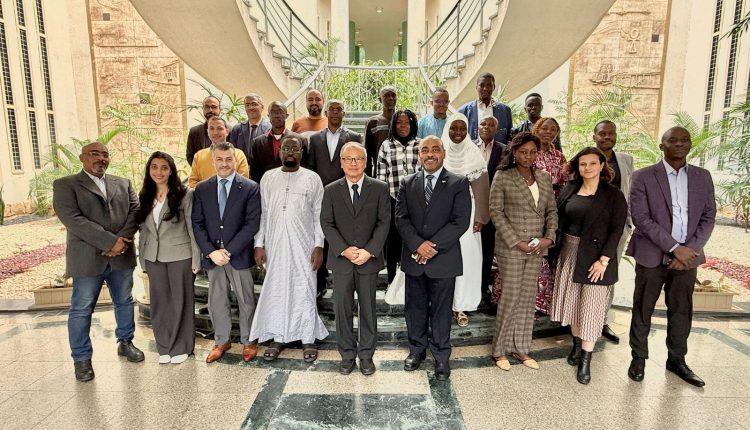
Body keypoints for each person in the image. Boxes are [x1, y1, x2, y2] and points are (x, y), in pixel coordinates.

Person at [626, 127, 716, 388]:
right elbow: (641, 218)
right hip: (652, 255)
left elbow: (708, 216)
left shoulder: (702, 177)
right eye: (672, 140)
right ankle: (638, 358)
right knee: (643, 308)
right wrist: (675, 247)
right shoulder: (642, 176)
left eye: (684, 140)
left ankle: (677, 360)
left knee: (681, 310)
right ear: (661, 145)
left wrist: (690, 249)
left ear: (690, 145)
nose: (679, 144)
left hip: (687, 258)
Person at [53, 142, 143, 382]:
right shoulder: (65, 185)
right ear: (82, 157)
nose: (100, 158)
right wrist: (109, 242)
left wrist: (121, 240)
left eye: (105, 155)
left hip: (122, 255)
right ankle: (81, 359)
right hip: (87, 258)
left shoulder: (123, 183)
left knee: (124, 301)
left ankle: (126, 342)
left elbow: (135, 212)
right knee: (82, 308)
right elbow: (73, 219)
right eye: (94, 154)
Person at [395, 136, 472, 381]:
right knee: (415, 308)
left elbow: (460, 221)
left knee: (441, 311)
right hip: (414, 258)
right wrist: (418, 245)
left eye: (435, 149)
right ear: (419, 155)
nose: (430, 154)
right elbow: (401, 219)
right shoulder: (407, 183)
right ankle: (416, 350)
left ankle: (441, 356)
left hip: (444, 259)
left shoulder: (459, 182)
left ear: (443, 153)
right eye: (425, 150)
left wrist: (432, 246)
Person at [550, 147, 627, 384]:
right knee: (574, 305)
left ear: (602, 165)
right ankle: (576, 346)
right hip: (569, 253)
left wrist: (604, 260)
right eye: (583, 164)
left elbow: (617, 230)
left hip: (597, 259)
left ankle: (586, 359)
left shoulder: (613, 195)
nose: (588, 168)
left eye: (593, 163)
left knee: (591, 310)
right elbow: (558, 220)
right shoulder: (570, 188)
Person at [251, 136, 329, 362]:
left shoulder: (312, 178)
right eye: (286, 148)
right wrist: (259, 244)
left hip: (304, 245)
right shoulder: (268, 178)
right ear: (280, 152)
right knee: (277, 289)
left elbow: (319, 215)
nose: (291, 151)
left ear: (302, 153)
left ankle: (308, 337)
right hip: (275, 244)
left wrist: (319, 245)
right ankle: (278, 336)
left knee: (305, 288)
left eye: (295, 148)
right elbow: (264, 213)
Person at [320, 142, 390, 375]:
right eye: (348, 159)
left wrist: (369, 251)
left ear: (366, 162)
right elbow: (326, 222)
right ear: (341, 163)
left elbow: (384, 222)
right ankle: (347, 355)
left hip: (368, 260)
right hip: (342, 261)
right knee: (342, 309)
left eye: (358, 158)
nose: (353, 163)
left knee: (368, 309)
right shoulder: (331, 190)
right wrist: (343, 249)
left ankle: (367, 355)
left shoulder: (379, 188)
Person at [489, 133, 557, 371]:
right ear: (514, 152)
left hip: (537, 247)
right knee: (510, 297)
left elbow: (551, 211)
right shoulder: (503, 176)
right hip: (512, 248)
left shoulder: (544, 177)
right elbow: (496, 212)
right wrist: (516, 242)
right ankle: (500, 350)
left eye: (532, 152)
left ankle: (521, 348)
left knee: (528, 298)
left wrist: (549, 238)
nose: (528, 156)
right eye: (523, 152)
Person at [192, 142, 261, 363]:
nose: (224, 164)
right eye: (219, 159)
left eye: (228, 159)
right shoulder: (202, 189)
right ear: (213, 161)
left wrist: (228, 251)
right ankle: (222, 340)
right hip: (213, 257)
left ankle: (249, 340)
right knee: (217, 300)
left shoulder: (250, 188)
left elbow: (252, 224)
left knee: (246, 299)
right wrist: (211, 252)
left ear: (235, 160)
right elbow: (197, 224)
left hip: (238, 255)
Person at [136, 151, 201, 365]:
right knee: (159, 303)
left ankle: (182, 346)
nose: (159, 172)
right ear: (149, 170)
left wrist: (196, 258)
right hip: (153, 257)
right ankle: (164, 346)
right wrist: (142, 259)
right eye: (154, 167)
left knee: (180, 302)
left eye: (164, 167)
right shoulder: (145, 195)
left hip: (180, 256)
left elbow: (192, 227)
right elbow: (144, 231)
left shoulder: (185, 194)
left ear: (171, 170)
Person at [308, 100, 363, 298]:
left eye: (338, 109)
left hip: (345, 196)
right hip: (320, 197)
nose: (335, 112)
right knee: (321, 238)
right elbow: (311, 169)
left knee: (344, 237)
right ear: (326, 113)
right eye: (331, 109)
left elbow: (358, 166)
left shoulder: (354, 137)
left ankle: (348, 284)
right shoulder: (315, 139)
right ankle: (321, 283)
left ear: (343, 114)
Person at [441, 113, 489, 326]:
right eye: (454, 127)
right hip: (441, 214)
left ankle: (460, 305)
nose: (458, 132)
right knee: (441, 257)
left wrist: (480, 217)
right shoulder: (439, 150)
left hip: (468, 216)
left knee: (466, 258)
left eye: (462, 128)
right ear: (447, 129)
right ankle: (442, 302)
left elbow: (482, 190)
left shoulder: (474, 154)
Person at [593, 120, 634, 344]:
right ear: (594, 137)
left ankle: (602, 320)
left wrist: (629, 223)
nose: (607, 137)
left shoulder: (625, 160)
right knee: (587, 272)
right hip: (590, 227)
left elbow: (631, 191)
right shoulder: (587, 157)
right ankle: (582, 319)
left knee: (609, 273)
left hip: (616, 227)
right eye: (602, 133)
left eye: (611, 133)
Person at [376, 109, 421, 283]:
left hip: (416, 201)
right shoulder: (386, 146)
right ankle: (391, 281)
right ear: (393, 125)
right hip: (393, 200)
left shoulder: (420, 145)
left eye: (407, 122)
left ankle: (410, 280)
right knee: (393, 242)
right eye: (399, 122)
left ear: (412, 125)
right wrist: (382, 201)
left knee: (411, 239)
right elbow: (381, 175)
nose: (403, 126)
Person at [531, 117, 567, 315]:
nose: (548, 132)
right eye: (544, 128)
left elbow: (565, 183)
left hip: (552, 209)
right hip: (529, 208)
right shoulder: (529, 152)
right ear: (537, 129)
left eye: (553, 129)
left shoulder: (559, 156)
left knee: (546, 253)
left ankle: (541, 304)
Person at [474, 114, 506, 298]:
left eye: (491, 125)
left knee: (487, 247)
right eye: (483, 124)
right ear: (477, 127)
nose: (486, 127)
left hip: (493, 207)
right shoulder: (469, 147)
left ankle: (483, 284)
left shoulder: (504, 150)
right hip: (471, 205)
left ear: (497, 129)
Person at [248, 101, 307, 183]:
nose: (276, 115)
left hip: (294, 184)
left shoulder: (300, 140)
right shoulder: (257, 142)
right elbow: (254, 172)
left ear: (286, 116)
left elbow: (305, 168)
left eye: (280, 112)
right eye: (273, 112)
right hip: (266, 186)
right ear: (268, 116)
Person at [188, 116, 250, 188]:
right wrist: (207, 193)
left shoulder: (239, 154)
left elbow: (243, 183)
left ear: (227, 132)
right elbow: (192, 182)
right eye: (212, 128)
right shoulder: (199, 156)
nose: (215, 132)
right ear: (207, 132)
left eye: (219, 128)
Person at [458, 72, 513, 144]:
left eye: (489, 85)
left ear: (494, 87)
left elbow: (510, 137)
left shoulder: (505, 111)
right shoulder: (463, 111)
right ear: (476, 87)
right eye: (482, 85)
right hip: (472, 150)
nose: (485, 89)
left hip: (498, 151)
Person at [364, 86, 397, 176]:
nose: (391, 98)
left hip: (400, 171)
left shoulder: (402, 120)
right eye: (387, 95)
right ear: (380, 99)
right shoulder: (373, 122)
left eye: (393, 95)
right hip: (379, 172)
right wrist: (368, 177)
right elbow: (367, 153)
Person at [230, 93, 272, 159]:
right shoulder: (236, 129)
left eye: (254, 104)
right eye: (247, 105)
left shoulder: (270, 129)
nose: (250, 108)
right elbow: (232, 153)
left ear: (262, 107)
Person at [186, 96, 222, 165]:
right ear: (203, 109)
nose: (210, 110)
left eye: (214, 107)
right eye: (207, 107)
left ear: (220, 109)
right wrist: (201, 169)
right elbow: (190, 156)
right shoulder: (194, 131)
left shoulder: (231, 131)